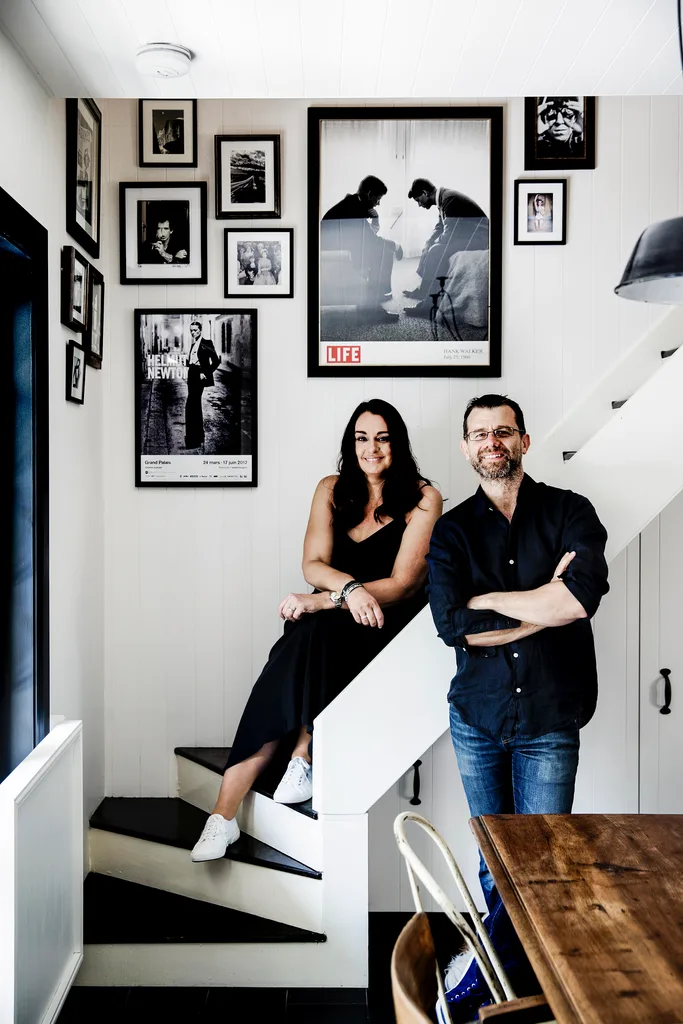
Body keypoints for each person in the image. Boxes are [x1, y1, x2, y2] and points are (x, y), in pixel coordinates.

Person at [190, 399, 442, 862]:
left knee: (309, 630)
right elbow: (313, 564)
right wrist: (346, 590)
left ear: (398, 444)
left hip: (382, 626)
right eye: (362, 438)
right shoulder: (331, 489)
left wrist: (328, 599)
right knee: (307, 637)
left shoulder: (424, 498)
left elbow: (405, 584)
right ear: (351, 444)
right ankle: (226, 815)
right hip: (331, 623)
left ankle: (293, 760)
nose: (372, 449)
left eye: (383, 438)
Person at [426, 394, 609, 1022]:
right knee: (494, 858)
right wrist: (541, 601)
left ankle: (488, 978)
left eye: (502, 432)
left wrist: (501, 603)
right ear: (466, 448)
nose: (491, 443)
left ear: (524, 441)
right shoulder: (451, 531)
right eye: (479, 434)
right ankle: (511, 977)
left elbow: (579, 599)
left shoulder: (570, 511)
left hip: (550, 722)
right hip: (477, 719)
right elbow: (455, 625)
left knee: (543, 864)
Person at [321, 175, 403, 324]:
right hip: (337, 254)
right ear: (370, 194)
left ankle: (375, 296)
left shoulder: (353, 203)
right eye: (377, 198)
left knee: (381, 249)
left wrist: (375, 220)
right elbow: (372, 240)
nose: (378, 203)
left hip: (341, 248)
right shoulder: (353, 209)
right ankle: (371, 310)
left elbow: (368, 235)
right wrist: (396, 245)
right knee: (383, 253)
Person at [403, 179, 489, 318]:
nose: (419, 205)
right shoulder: (444, 198)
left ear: (425, 193)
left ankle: (429, 306)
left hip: (481, 238)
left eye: (418, 200)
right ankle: (424, 291)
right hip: (469, 235)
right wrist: (428, 243)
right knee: (430, 247)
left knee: (436, 251)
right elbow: (440, 227)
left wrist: (433, 245)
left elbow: (448, 235)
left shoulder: (450, 199)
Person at [184, 321, 221, 450]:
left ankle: (193, 440)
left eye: (195, 330)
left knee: (191, 406)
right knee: (194, 406)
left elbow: (216, 361)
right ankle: (197, 438)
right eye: (191, 330)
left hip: (199, 376)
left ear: (200, 330)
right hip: (192, 375)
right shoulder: (194, 343)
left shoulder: (206, 343)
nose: (193, 332)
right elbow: (193, 359)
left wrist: (205, 373)